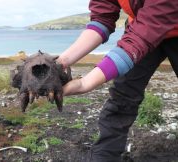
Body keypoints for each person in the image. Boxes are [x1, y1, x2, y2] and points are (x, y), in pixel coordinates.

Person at [56, 0, 178, 161]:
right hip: (141, 27)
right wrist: (61, 62)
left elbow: (149, 28)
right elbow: (102, 17)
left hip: (157, 23)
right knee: (123, 94)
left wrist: (86, 83)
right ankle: (103, 157)